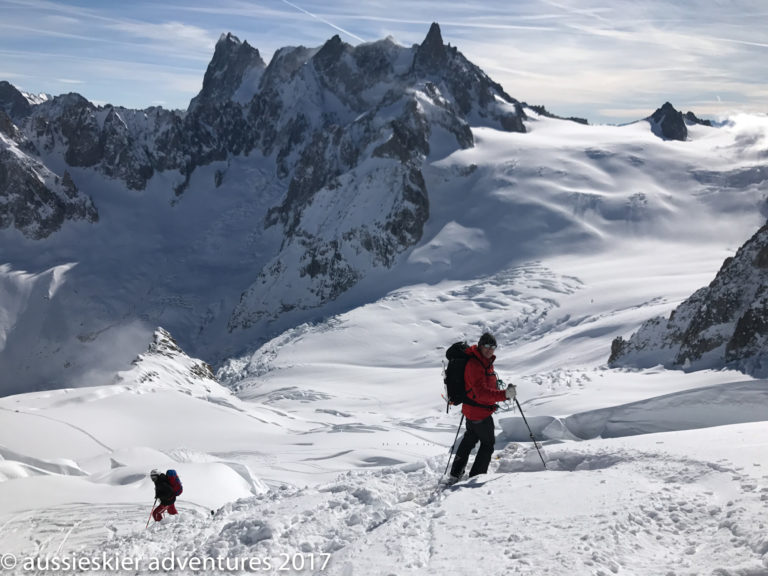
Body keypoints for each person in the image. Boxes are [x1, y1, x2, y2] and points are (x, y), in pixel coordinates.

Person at [449, 332, 516, 482]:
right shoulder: (475, 364)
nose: (490, 349)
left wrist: (502, 391)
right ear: (480, 346)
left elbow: (484, 387)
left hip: (472, 410)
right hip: (479, 412)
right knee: (487, 444)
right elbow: (480, 392)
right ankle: (476, 477)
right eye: (486, 346)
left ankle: (456, 473)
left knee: (469, 439)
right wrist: (504, 395)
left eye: (493, 347)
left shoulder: (484, 362)